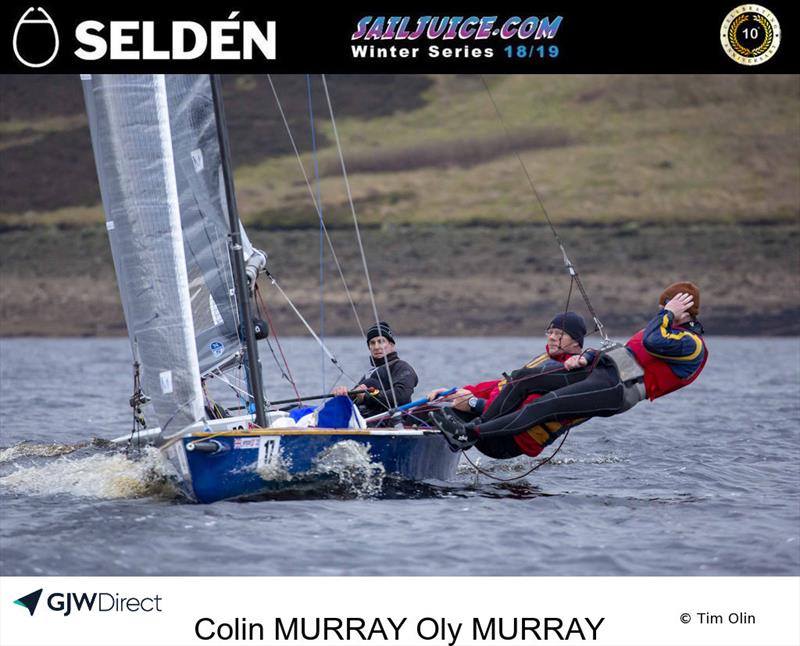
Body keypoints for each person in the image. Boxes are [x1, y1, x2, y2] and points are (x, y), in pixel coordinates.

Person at [431, 282, 708, 453]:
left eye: (666, 307)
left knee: (546, 405)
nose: (660, 311)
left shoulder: (691, 344)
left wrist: (667, 314)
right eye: (663, 307)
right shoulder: (663, 326)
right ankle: (477, 426)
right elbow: (623, 351)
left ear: (683, 311)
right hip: (601, 370)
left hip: (617, 389)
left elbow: (652, 339)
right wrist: (587, 356)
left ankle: (471, 433)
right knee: (523, 378)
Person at [428, 311, 593, 458]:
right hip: (491, 421)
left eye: (559, 334)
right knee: (432, 410)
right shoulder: (547, 360)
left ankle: (452, 441)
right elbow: (503, 386)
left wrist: (473, 403)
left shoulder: (572, 376)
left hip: (510, 440)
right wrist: (455, 393)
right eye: (550, 332)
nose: (551, 337)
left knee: (442, 415)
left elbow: (524, 413)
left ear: (576, 342)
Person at [331, 321, 419, 419]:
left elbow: (402, 395)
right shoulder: (370, 373)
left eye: (381, 341)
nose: (376, 347)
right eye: (372, 343)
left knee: (371, 382)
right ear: (369, 347)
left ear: (391, 345)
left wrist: (366, 396)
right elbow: (357, 395)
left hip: (393, 422)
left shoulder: (401, 367)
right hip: (366, 420)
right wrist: (344, 395)